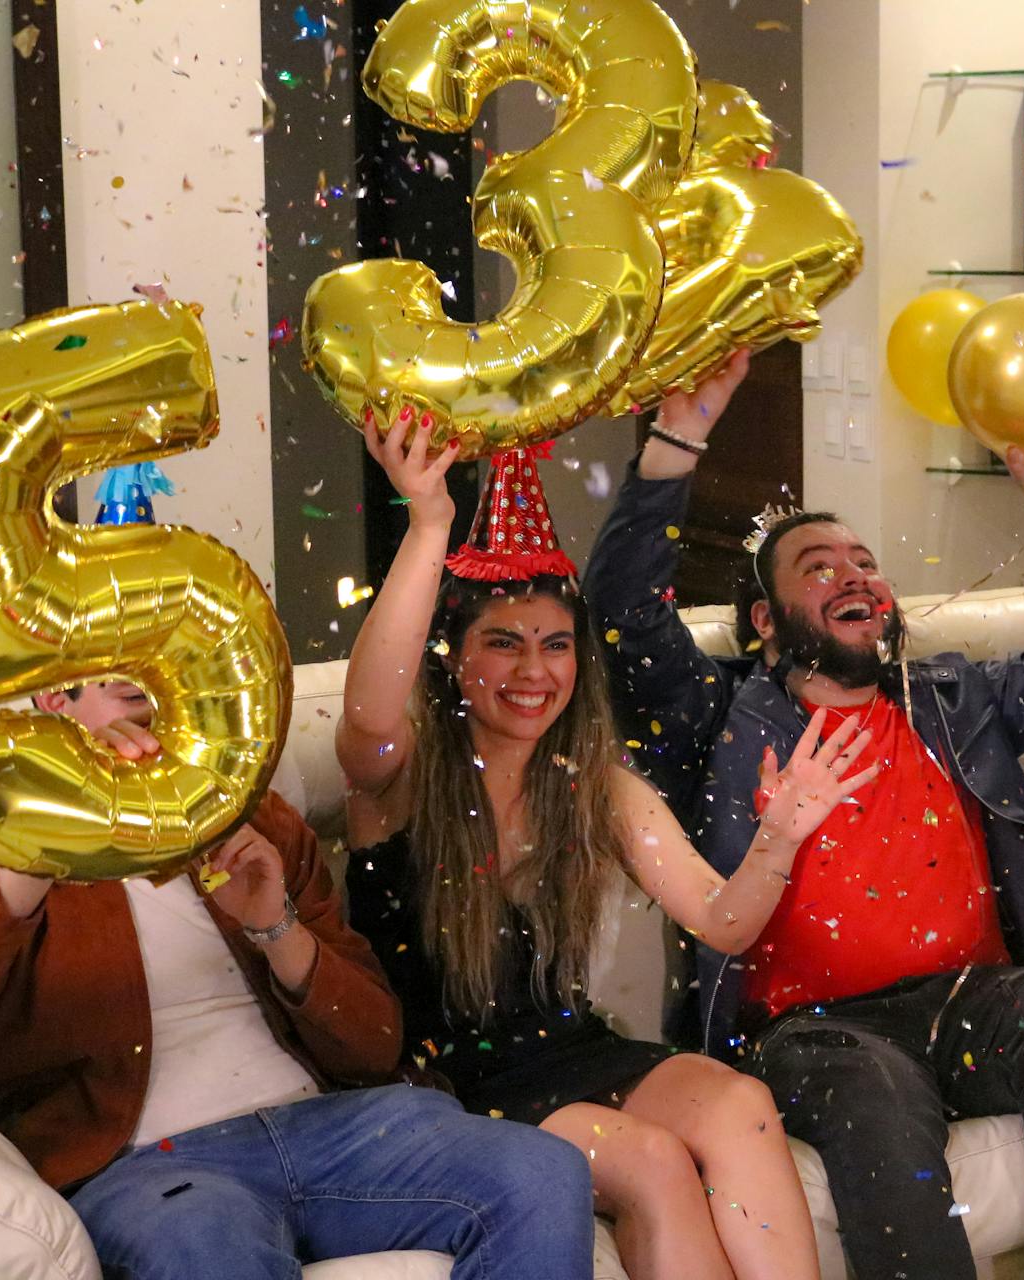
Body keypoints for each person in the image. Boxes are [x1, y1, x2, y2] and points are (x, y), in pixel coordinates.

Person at [584, 350, 1024, 1280]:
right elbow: (621, 623)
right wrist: (677, 442)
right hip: (817, 1029)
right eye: (818, 567)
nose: (855, 577)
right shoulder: (718, 714)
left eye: (865, 563)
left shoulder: (955, 697)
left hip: (976, 998)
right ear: (765, 620)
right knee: (876, 1099)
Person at [339, 418, 848, 1280]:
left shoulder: (595, 784)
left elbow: (723, 922)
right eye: (503, 642)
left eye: (555, 645)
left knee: (743, 1105)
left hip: (568, 1048)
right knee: (651, 1158)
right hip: (439, 1085)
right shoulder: (399, 773)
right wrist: (430, 523)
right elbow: (366, 712)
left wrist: (779, 838)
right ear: (452, 658)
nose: (534, 670)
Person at [0, 680, 596, 1280]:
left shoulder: (253, 816)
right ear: (53, 694)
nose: (145, 669)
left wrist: (274, 927)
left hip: (334, 1127)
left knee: (541, 1173)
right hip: (149, 1169)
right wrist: (28, 857)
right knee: (201, 1248)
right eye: (114, 658)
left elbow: (374, 1044)